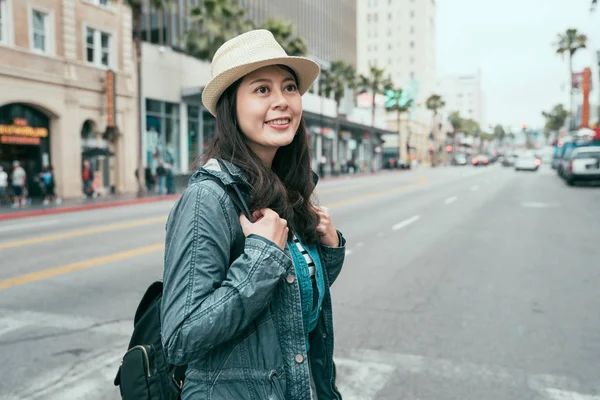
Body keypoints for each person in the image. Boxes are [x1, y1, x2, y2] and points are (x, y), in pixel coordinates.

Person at [160, 30, 346, 400]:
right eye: (262, 90)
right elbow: (181, 337)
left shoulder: (286, 189)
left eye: (289, 87)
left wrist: (329, 249)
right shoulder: (207, 198)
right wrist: (261, 257)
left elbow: (291, 297)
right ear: (232, 106)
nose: (282, 102)